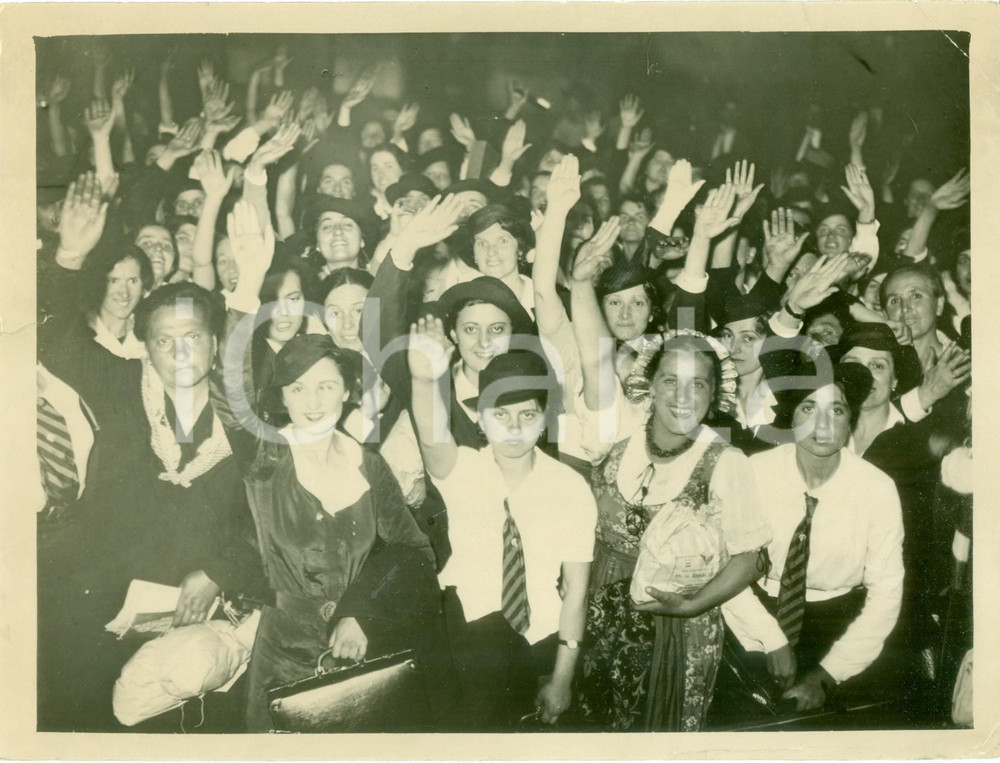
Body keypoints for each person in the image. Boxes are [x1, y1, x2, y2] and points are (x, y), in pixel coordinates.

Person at [210, 201, 448, 731]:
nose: (312, 401)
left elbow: (414, 551)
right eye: (298, 388)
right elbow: (230, 390)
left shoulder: (368, 465)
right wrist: (247, 283)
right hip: (281, 660)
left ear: (347, 393)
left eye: (326, 386)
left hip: (364, 660)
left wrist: (361, 611)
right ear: (282, 397)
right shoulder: (266, 455)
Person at [574, 330, 771, 731]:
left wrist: (691, 605)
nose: (683, 395)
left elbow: (750, 560)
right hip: (600, 621)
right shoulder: (614, 446)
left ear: (715, 393)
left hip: (676, 627)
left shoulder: (726, 462)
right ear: (650, 384)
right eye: (670, 380)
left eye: (697, 383)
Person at [408, 332, 596, 729]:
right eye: (501, 415)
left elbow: (576, 591)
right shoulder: (461, 469)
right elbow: (430, 435)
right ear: (479, 418)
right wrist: (424, 380)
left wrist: (562, 677)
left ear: (544, 419)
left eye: (527, 415)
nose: (514, 428)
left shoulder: (570, 486)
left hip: (544, 636)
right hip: (468, 638)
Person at [721, 363, 905, 712]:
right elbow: (726, 570)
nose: (822, 423)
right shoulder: (754, 473)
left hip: (840, 626)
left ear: (850, 419)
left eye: (836, 410)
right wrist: (771, 640)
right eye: (809, 408)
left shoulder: (877, 489)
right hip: (751, 616)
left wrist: (826, 674)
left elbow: (886, 595)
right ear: (791, 417)